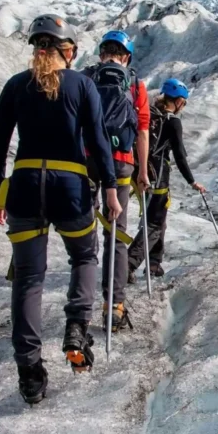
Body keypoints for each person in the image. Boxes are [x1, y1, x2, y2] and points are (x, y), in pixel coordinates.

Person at [0, 14, 122, 403]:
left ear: (36, 49)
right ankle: (77, 328)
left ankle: (30, 373)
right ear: (70, 52)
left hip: (25, 187)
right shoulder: (82, 85)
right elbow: (97, 139)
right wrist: (111, 188)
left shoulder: (17, 84)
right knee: (84, 256)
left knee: (28, 278)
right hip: (70, 188)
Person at [81, 30, 150, 333]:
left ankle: (81, 307)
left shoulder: (86, 77)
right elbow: (143, 131)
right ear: (127, 56)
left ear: (102, 53)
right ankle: (115, 306)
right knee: (116, 234)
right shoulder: (135, 84)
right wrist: (142, 171)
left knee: (84, 232)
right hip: (121, 163)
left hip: (87, 161)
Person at [127, 78, 205, 282]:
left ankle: (154, 263)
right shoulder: (172, 121)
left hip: (138, 173)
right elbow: (179, 155)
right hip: (158, 175)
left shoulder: (150, 113)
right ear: (178, 101)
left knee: (157, 218)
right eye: (184, 103)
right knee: (155, 222)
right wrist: (192, 181)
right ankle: (128, 264)